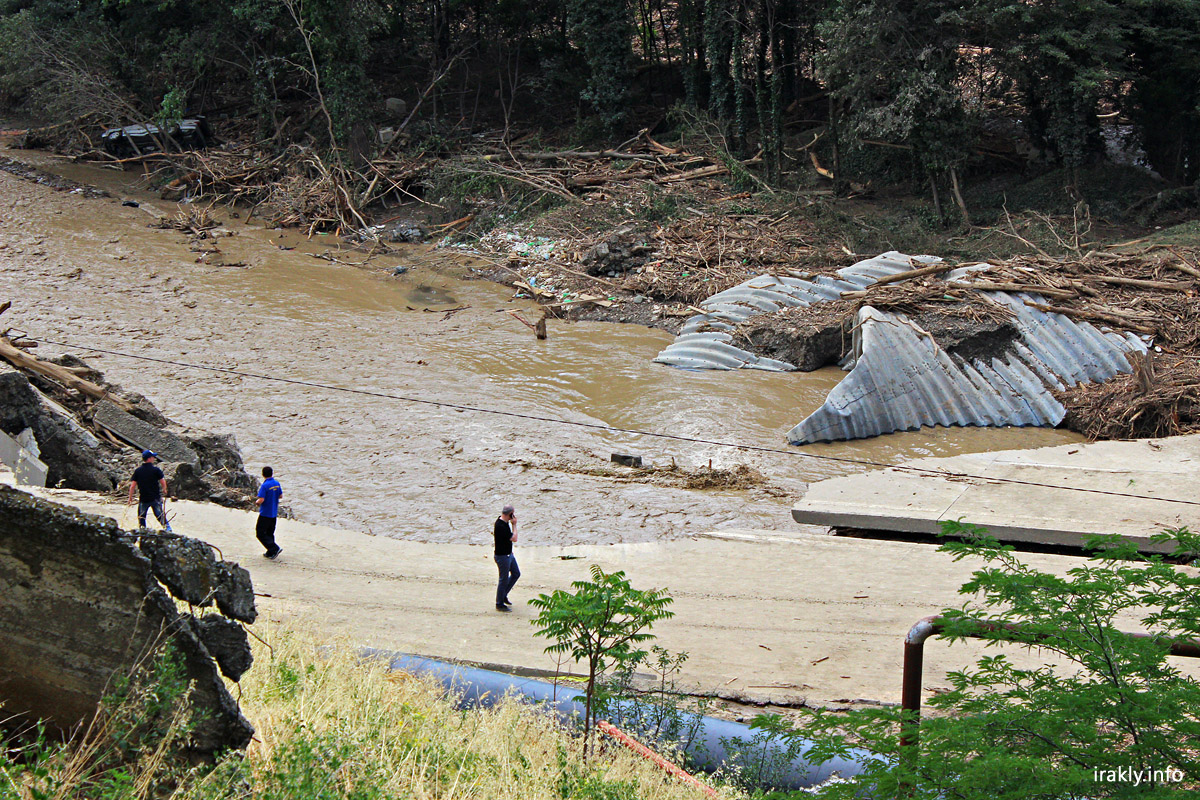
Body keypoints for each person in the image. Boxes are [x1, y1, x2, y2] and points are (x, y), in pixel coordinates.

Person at [128, 450, 172, 532]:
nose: (154, 459)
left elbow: (133, 485)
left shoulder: (138, 471)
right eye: (153, 457)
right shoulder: (156, 470)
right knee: (160, 515)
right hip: (155, 498)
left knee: (141, 517)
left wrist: (130, 498)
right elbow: (162, 480)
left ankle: (143, 532)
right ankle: (168, 529)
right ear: (149, 458)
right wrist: (164, 489)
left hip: (144, 498)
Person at [493, 504, 519, 612]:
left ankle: (504, 594)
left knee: (516, 573)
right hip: (502, 556)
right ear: (510, 514)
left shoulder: (503, 522)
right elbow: (514, 538)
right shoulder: (501, 526)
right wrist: (514, 525)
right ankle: (499, 603)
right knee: (503, 579)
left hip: (508, 554)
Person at [255, 466, 283, 559]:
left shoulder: (265, 485)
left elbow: (261, 499)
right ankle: (270, 552)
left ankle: (274, 548)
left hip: (265, 513)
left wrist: (256, 502)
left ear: (263, 474)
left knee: (260, 533)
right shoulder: (276, 483)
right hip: (274, 513)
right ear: (272, 473)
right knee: (270, 533)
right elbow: (280, 496)